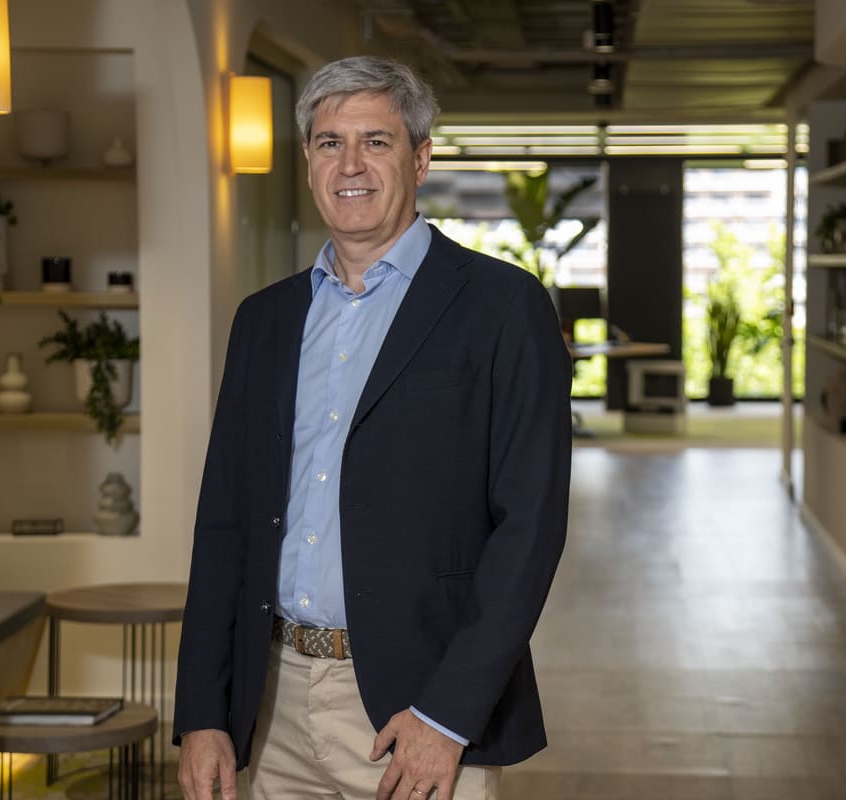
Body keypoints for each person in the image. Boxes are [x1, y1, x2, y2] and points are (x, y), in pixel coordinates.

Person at [173, 55, 572, 800]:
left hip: (415, 716)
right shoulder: (263, 321)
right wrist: (203, 711)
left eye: (376, 142)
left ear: (420, 159)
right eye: (330, 143)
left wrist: (447, 717)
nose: (350, 164)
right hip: (272, 707)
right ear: (308, 161)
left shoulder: (503, 308)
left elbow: (530, 528)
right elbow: (223, 522)